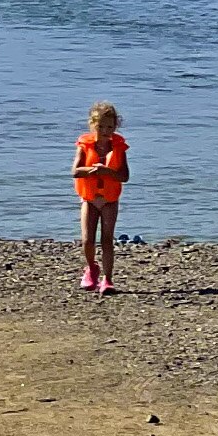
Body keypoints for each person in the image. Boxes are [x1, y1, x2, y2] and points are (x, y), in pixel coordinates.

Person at [72, 101, 131, 295]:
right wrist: (92, 170)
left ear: (115, 127)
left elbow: (124, 176)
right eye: (101, 127)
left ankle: (108, 279)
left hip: (109, 200)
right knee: (88, 240)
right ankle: (91, 268)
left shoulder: (119, 147)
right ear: (92, 125)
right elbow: (76, 171)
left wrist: (107, 171)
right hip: (90, 198)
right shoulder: (85, 145)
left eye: (110, 127)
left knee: (107, 239)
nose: (105, 131)